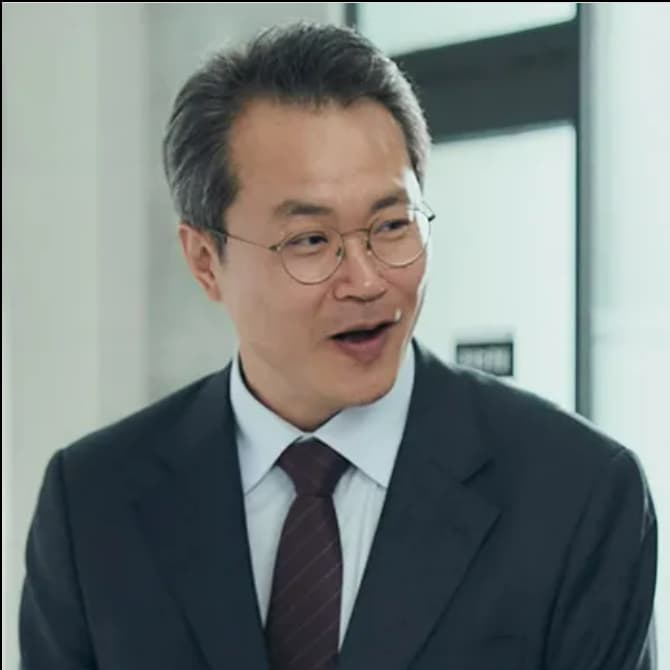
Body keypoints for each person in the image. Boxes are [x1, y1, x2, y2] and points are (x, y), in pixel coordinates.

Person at [20, 21, 657, 670]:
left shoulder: (578, 494)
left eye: (392, 225)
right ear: (206, 261)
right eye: (311, 241)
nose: (367, 280)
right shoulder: (92, 503)